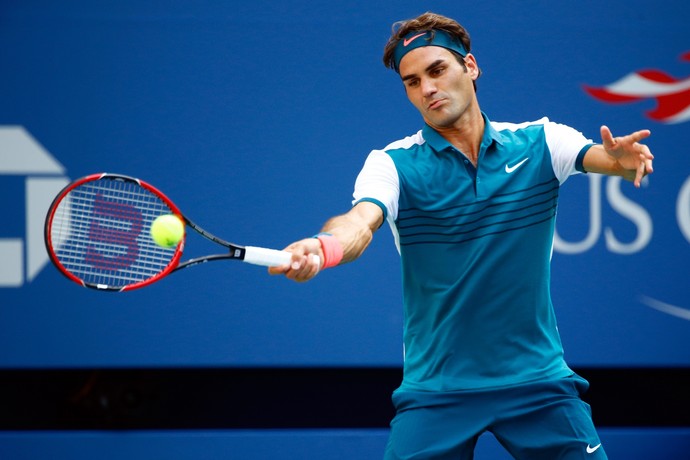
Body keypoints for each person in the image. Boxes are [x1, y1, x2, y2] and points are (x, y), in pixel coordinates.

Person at [269, 11, 654, 460]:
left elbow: (603, 159)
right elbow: (360, 221)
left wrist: (624, 162)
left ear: (469, 67)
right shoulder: (392, 164)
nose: (427, 88)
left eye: (437, 70)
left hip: (538, 384)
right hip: (438, 390)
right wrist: (324, 247)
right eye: (412, 82)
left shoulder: (541, 143)